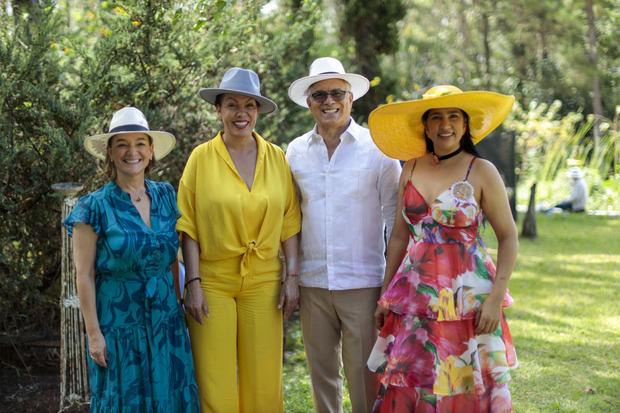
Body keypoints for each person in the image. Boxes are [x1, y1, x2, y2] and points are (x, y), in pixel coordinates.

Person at [366, 85, 519, 412]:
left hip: (467, 304)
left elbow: (508, 237)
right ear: (426, 126)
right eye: (436, 117)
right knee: (416, 382)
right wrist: (385, 295)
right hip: (415, 299)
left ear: (465, 126)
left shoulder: (481, 171)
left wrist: (495, 300)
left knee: (462, 386)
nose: (444, 124)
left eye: (453, 116)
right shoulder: (410, 167)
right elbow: (398, 237)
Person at [176, 67, 301, 413]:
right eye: (232, 105)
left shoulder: (277, 158)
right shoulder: (201, 158)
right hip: (213, 279)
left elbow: (290, 220)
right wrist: (194, 283)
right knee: (214, 380)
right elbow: (188, 224)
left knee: (264, 380)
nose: (240, 113)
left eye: (249, 105)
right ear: (219, 110)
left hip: (264, 278)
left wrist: (292, 278)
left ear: (258, 111)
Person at [64, 107, 200, 412]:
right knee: (124, 400)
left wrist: (182, 305)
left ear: (151, 151)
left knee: (170, 396)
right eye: (122, 144)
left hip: (166, 322)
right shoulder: (93, 207)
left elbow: (171, 259)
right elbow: (83, 275)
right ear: (110, 152)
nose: (132, 151)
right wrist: (94, 335)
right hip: (119, 327)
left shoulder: (165, 195)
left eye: (140, 143)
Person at [286, 57, 402, 413]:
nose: (328, 101)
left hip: (363, 283)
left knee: (365, 376)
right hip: (314, 283)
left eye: (337, 92)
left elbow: (395, 222)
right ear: (309, 102)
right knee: (322, 378)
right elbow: (290, 217)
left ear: (351, 98)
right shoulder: (294, 152)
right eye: (319, 94)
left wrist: (390, 285)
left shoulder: (379, 149)